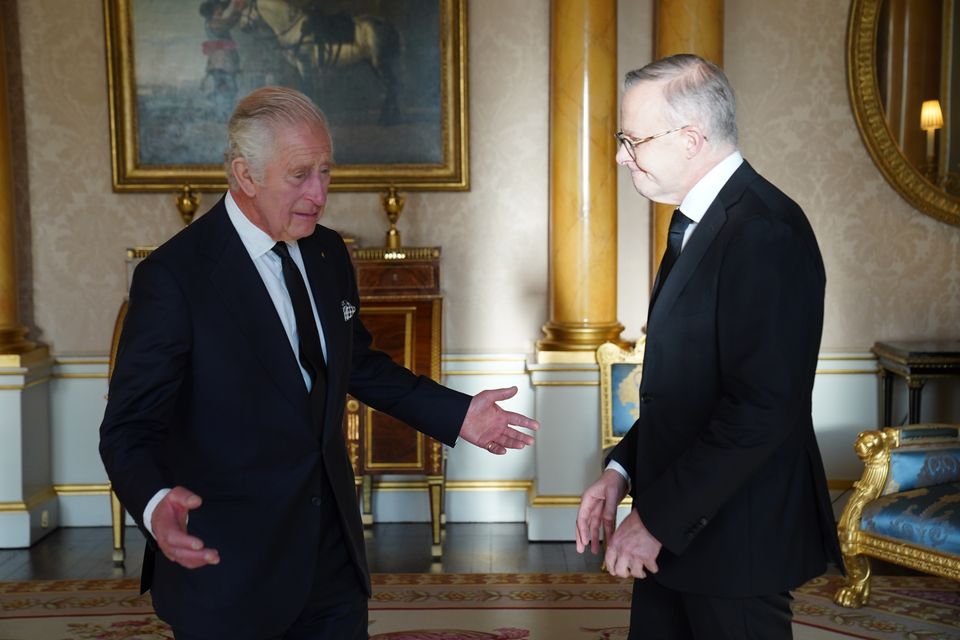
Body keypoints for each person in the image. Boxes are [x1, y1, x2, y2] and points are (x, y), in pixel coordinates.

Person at [100, 86, 539, 640]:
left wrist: (457, 415)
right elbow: (127, 428)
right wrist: (156, 502)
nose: (318, 192)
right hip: (227, 566)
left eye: (326, 172)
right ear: (245, 174)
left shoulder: (328, 252)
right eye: (300, 174)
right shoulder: (174, 276)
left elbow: (358, 364)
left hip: (331, 558)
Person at [575, 54, 842, 640]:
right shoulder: (701, 222)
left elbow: (761, 410)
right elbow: (688, 393)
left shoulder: (765, 231)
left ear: (690, 139)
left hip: (734, 544)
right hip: (681, 533)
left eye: (631, 139)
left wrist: (655, 521)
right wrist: (621, 469)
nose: (621, 156)